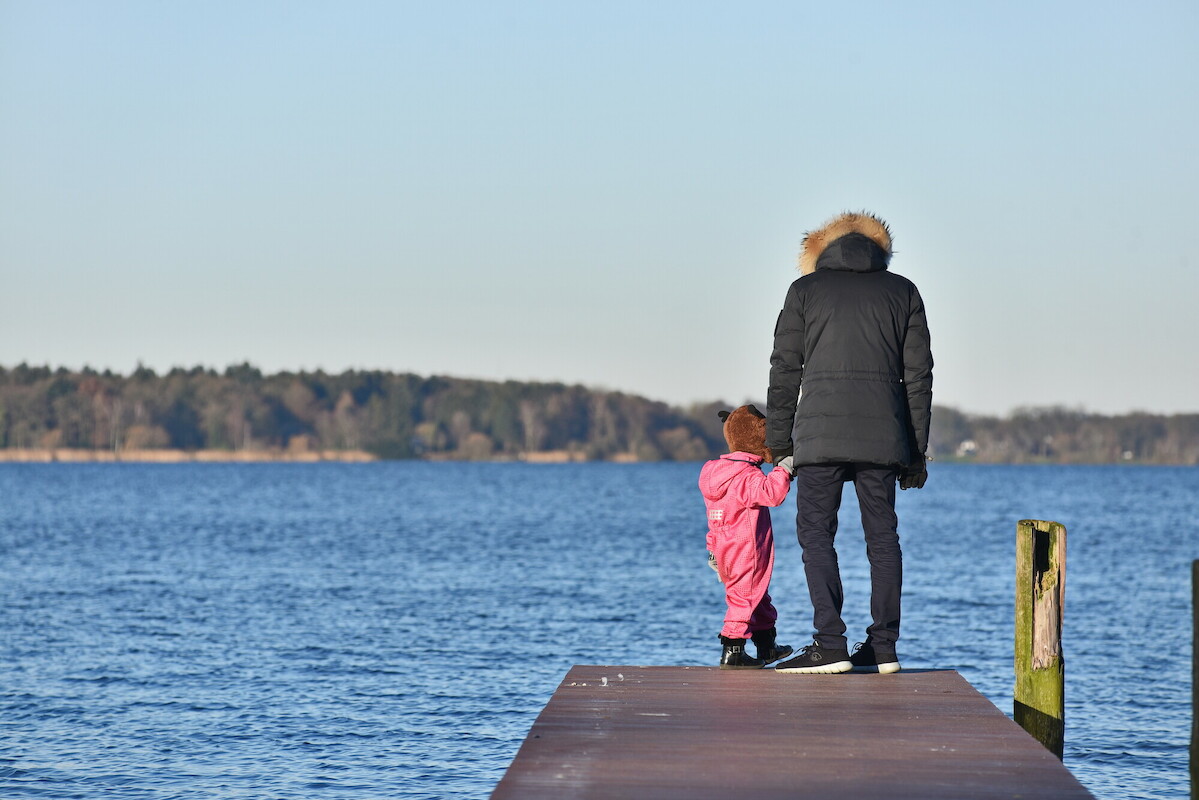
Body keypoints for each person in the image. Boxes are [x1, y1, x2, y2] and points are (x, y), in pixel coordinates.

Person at [766, 211, 933, 675]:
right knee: (883, 538)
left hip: (818, 438)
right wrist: (916, 451)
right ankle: (883, 649)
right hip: (883, 438)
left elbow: (784, 372)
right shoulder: (903, 292)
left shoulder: (804, 291)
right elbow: (918, 378)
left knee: (817, 536)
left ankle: (830, 644)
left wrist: (778, 444)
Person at [699, 404, 796, 669]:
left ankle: (767, 647)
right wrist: (784, 468)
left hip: (722, 548)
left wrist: (712, 551)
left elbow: (715, 516)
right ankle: (733, 651)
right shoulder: (746, 476)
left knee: (758, 596)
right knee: (743, 599)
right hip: (746, 550)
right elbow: (771, 494)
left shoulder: (714, 474)